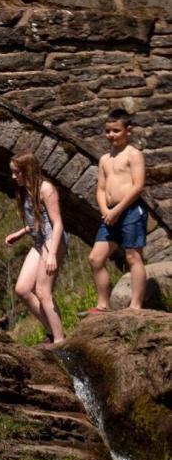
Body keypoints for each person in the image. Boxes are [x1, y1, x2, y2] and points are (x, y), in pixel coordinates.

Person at [88, 111, 148, 312]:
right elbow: (101, 189)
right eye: (108, 131)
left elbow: (138, 186)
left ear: (128, 131)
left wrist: (118, 210)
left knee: (133, 256)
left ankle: (135, 306)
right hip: (110, 212)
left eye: (116, 130)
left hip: (130, 210)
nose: (111, 135)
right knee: (96, 258)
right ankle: (103, 304)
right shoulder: (105, 158)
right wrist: (105, 209)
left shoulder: (133, 154)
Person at [4, 152, 66, 344]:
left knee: (43, 291)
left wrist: (52, 254)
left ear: (28, 170)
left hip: (52, 241)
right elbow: (38, 220)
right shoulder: (25, 190)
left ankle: (60, 341)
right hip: (38, 242)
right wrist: (21, 232)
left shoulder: (46, 189)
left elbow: (57, 224)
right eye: (13, 172)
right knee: (22, 289)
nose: (14, 177)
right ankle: (51, 330)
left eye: (18, 172)